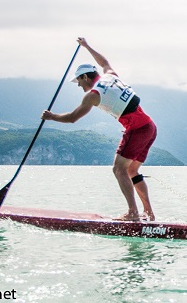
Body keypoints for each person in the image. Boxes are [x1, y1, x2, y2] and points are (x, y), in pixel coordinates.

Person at [41, 37, 158, 221]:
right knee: (131, 171)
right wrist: (87, 46)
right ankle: (148, 214)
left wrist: (51, 116)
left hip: (137, 130)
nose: (79, 85)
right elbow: (103, 62)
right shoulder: (110, 76)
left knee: (119, 170)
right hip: (150, 127)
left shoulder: (93, 95)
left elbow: (72, 118)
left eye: (79, 81)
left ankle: (133, 213)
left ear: (85, 77)